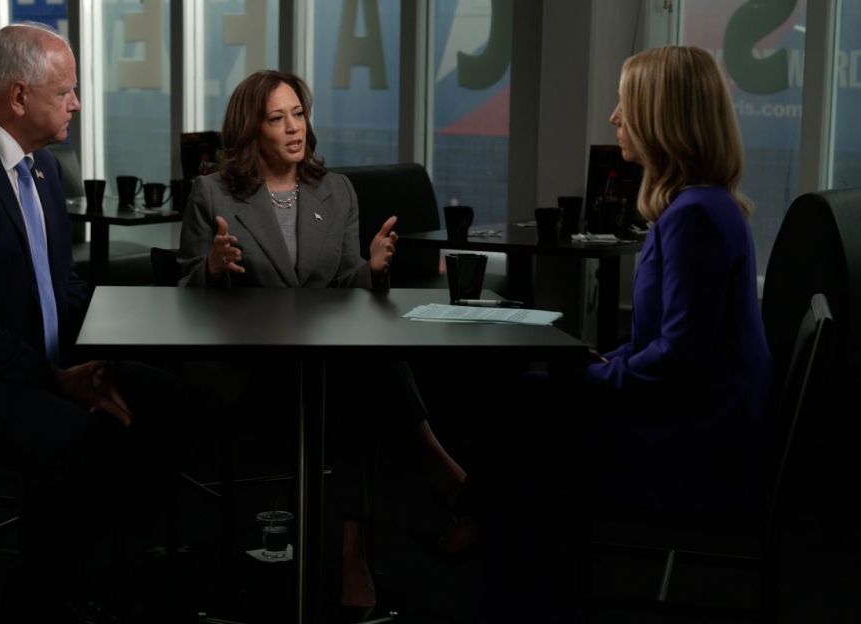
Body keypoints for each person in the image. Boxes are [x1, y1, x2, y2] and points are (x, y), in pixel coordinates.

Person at [435, 44, 774, 617]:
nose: (615, 117)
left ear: (663, 117)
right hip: (705, 423)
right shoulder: (708, 208)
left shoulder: (694, 217)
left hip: (696, 450)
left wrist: (597, 374)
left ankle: (501, 559)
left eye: (625, 104)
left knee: (528, 408)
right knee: (535, 397)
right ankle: (496, 541)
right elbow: (670, 346)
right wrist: (604, 364)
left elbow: (679, 360)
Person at [0, 22, 185, 623]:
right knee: (82, 437)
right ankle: (40, 597)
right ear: (18, 97)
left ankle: (92, 564)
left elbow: (62, 291)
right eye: (65, 91)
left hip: (35, 369)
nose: (76, 103)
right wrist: (55, 379)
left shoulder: (42, 170)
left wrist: (124, 333)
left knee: (165, 397)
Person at [177, 69, 467, 615]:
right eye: (276, 118)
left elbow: (342, 286)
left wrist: (373, 270)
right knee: (360, 372)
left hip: (327, 366)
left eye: (299, 114)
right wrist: (213, 269)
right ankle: (442, 485)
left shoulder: (335, 192)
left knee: (354, 372)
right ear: (250, 129)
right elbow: (186, 291)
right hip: (252, 368)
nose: (293, 129)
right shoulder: (212, 191)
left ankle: (352, 553)